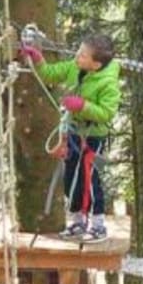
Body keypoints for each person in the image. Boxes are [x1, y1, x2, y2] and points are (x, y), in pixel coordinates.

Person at [19, 34, 121, 241]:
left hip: (93, 137)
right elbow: (50, 74)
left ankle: (98, 224)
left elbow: (107, 113)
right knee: (71, 179)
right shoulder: (75, 67)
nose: (77, 57)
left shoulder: (107, 82)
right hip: (74, 133)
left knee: (90, 179)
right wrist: (38, 60)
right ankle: (77, 221)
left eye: (83, 55)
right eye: (79, 52)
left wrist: (83, 106)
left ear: (96, 64)